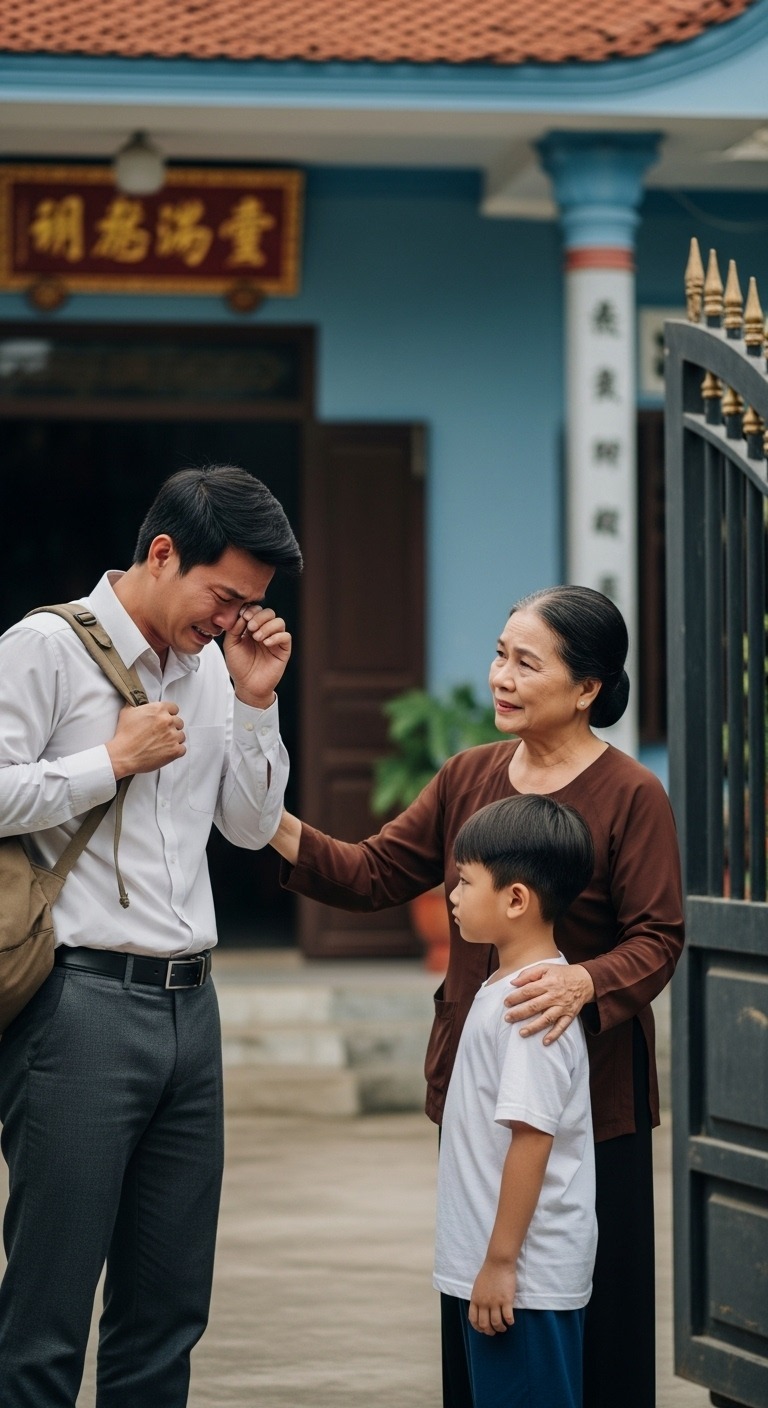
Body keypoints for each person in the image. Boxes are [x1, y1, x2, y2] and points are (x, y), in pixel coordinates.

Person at [269, 584, 684, 1408]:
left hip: (592, 1107)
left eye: (526, 663)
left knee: (592, 1336)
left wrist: (585, 980)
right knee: (482, 1317)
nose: (501, 676)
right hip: (478, 1092)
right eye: (500, 654)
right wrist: (267, 823)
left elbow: (659, 936)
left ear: (588, 687)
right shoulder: (468, 776)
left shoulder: (632, 794)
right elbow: (376, 871)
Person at [0, 464, 302, 1408]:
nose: (231, 620)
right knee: (47, 1318)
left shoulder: (217, 669)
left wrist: (255, 701)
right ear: (162, 553)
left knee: (167, 1313)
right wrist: (107, 762)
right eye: (224, 597)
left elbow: (251, 829)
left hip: (191, 1011)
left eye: (251, 604)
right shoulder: (42, 647)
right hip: (76, 1008)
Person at [436, 793, 596, 1408]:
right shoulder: (502, 985)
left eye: (465, 881)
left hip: (521, 1283)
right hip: (499, 1275)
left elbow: (532, 1138)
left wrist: (501, 1262)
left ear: (516, 899)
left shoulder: (531, 1004)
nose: (451, 895)